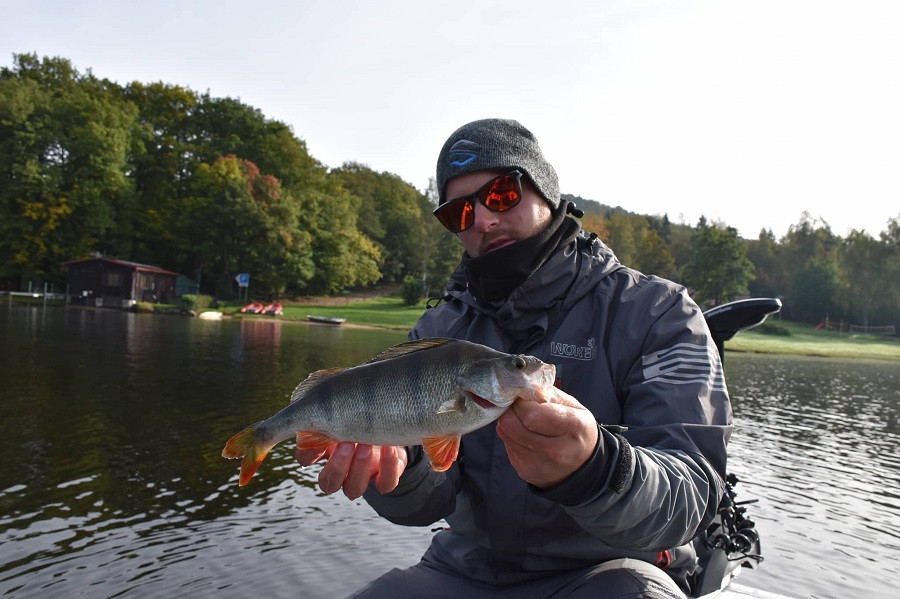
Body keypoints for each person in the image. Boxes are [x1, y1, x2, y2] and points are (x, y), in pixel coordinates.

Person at [296, 118, 732, 599]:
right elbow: (429, 501)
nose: (483, 220)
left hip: (611, 571)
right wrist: (399, 470)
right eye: (459, 213)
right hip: (466, 568)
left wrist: (596, 468)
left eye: (500, 194)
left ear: (543, 190)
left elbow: (693, 496)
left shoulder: (660, 313)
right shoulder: (438, 332)